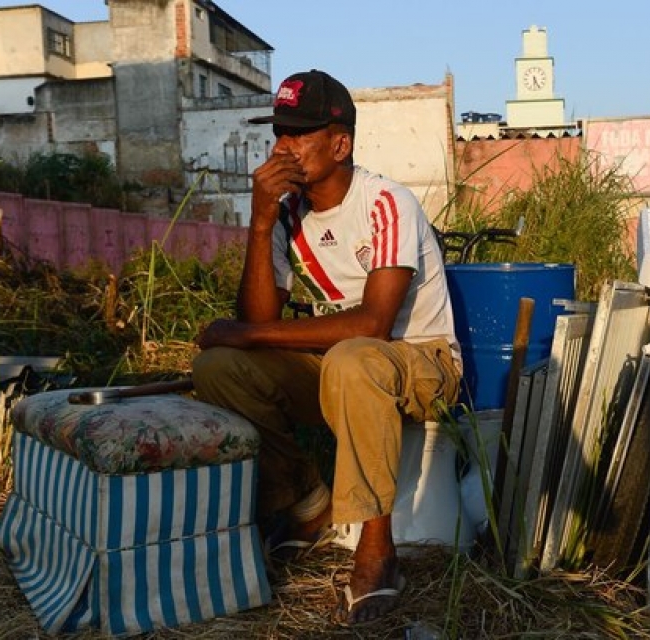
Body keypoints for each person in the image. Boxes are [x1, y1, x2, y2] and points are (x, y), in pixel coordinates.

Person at [191, 69, 461, 625]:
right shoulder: (289, 215)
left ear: (340, 144)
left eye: (300, 133)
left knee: (353, 355)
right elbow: (260, 319)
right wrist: (261, 221)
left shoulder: (388, 203)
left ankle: (376, 546)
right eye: (280, 133)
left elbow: (375, 324)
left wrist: (247, 333)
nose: (283, 147)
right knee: (220, 367)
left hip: (422, 363)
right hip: (339, 367)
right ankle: (305, 501)